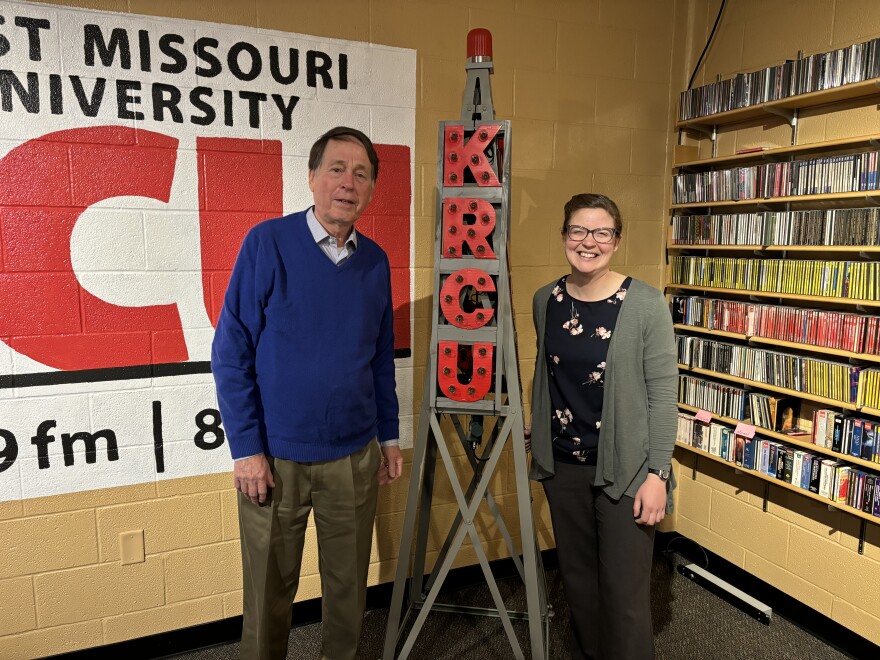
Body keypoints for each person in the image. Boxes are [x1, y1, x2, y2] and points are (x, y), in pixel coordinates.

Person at [211, 126, 404, 660]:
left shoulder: (376, 261)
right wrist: (246, 450)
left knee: (347, 595)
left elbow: (380, 359)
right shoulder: (267, 242)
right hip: (275, 460)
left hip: (354, 458)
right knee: (269, 595)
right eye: (337, 169)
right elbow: (231, 353)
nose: (348, 182)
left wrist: (388, 438)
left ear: (370, 189)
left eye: (361, 173)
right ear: (313, 177)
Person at [526, 193, 678, 659]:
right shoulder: (545, 301)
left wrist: (659, 475)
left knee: (625, 594)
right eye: (577, 230)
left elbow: (663, 395)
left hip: (628, 470)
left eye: (601, 232)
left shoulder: (646, 304)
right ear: (564, 235)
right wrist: (535, 425)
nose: (587, 242)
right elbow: (546, 373)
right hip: (564, 467)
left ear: (616, 240)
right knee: (580, 586)